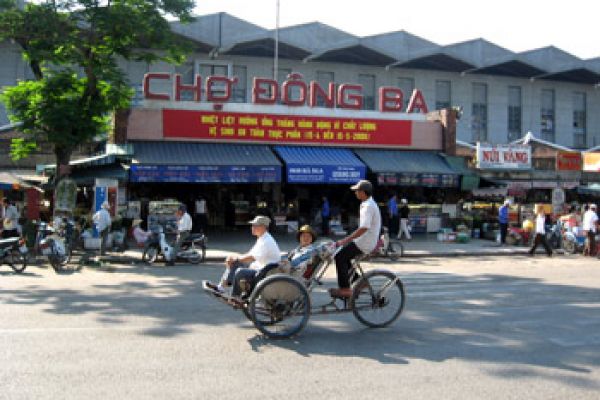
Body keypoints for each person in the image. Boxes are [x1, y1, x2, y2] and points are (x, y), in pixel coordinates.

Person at [207, 215, 281, 297]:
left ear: (263, 227)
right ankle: (221, 288)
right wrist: (234, 258)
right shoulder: (262, 238)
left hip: (264, 272)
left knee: (240, 271)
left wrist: (236, 259)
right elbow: (250, 254)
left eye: (255, 226)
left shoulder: (266, 241)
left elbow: (251, 257)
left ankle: (234, 295)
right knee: (235, 262)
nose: (252, 227)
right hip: (259, 267)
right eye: (252, 225)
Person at [331, 180, 381, 298]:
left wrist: (345, 240)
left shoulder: (368, 206)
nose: (355, 193)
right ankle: (360, 281)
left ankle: (345, 289)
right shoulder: (368, 203)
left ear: (363, 192)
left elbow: (364, 227)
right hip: (365, 240)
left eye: (357, 191)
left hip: (364, 241)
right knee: (343, 256)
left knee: (340, 256)